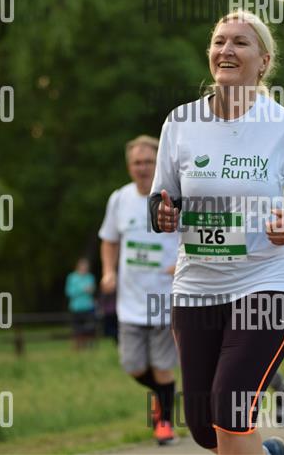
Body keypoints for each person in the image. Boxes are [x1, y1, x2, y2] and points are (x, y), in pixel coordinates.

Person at [150, 10, 284, 455]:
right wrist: (162, 214)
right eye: (220, 41)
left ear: (264, 61)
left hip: (266, 281)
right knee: (205, 430)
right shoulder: (180, 122)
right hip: (197, 287)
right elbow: (163, 197)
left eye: (240, 42)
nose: (227, 50)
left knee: (230, 409)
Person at [99, 135, 180, 445]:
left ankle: (165, 424)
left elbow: (195, 234)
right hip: (130, 300)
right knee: (132, 365)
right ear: (129, 166)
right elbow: (109, 240)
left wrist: (182, 262)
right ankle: (165, 397)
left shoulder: (174, 196)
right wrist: (108, 271)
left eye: (148, 161)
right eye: (137, 162)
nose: (143, 167)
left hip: (164, 297)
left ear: (158, 163)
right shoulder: (119, 199)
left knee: (162, 365)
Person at [65, 257, 97, 350]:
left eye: (86, 267)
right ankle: (78, 346)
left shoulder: (90, 277)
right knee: (76, 328)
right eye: (83, 266)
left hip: (88, 306)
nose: (84, 268)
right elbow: (69, 292)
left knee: (89, 327)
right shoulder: (72, 277)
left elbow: (92, 290)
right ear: (78, 267)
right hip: (76, 307)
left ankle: (89, 346)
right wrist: (82, 290)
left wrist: (90, 290)